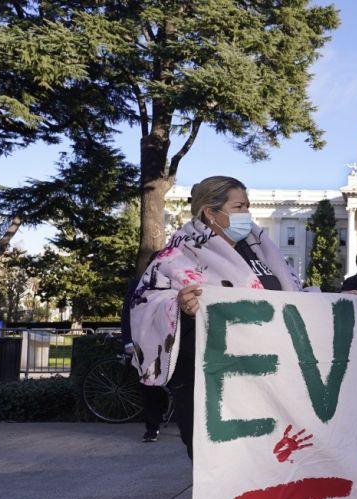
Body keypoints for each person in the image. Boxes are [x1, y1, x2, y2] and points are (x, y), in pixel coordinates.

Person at [129, 176, 304, 459]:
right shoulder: (177, 256)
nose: (247, 215)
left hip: (266, 382)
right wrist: (179, 306)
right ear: (211, 212)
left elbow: (294, 295)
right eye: (239, 207)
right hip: (207, 384)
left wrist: (343, 298)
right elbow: (145, 304)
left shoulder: (259, 250)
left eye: (248, 207)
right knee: (224, 473)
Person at [121, 277, 169, 442]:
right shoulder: (139, 283)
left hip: (172, 340)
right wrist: (128, 341)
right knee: (149, 386)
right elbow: (128, 312)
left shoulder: (177, 279)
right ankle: (152, 426)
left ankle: (157, 421)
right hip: (149, 342)